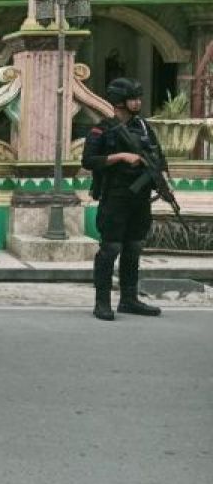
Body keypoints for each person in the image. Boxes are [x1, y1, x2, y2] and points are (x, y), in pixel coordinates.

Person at [81, 77, 166, 321]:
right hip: (115, 196)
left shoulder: (144, 128)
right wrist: (119, 157)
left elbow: (158, 155)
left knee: (134, 246)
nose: (138, 102)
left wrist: (160, 179)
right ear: (119, 101)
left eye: (139, 97)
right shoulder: (102, 129)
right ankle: (102, 302)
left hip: (140, 196)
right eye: (133, 98)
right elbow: (88, 161)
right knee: (111, 248)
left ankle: (129, 299)